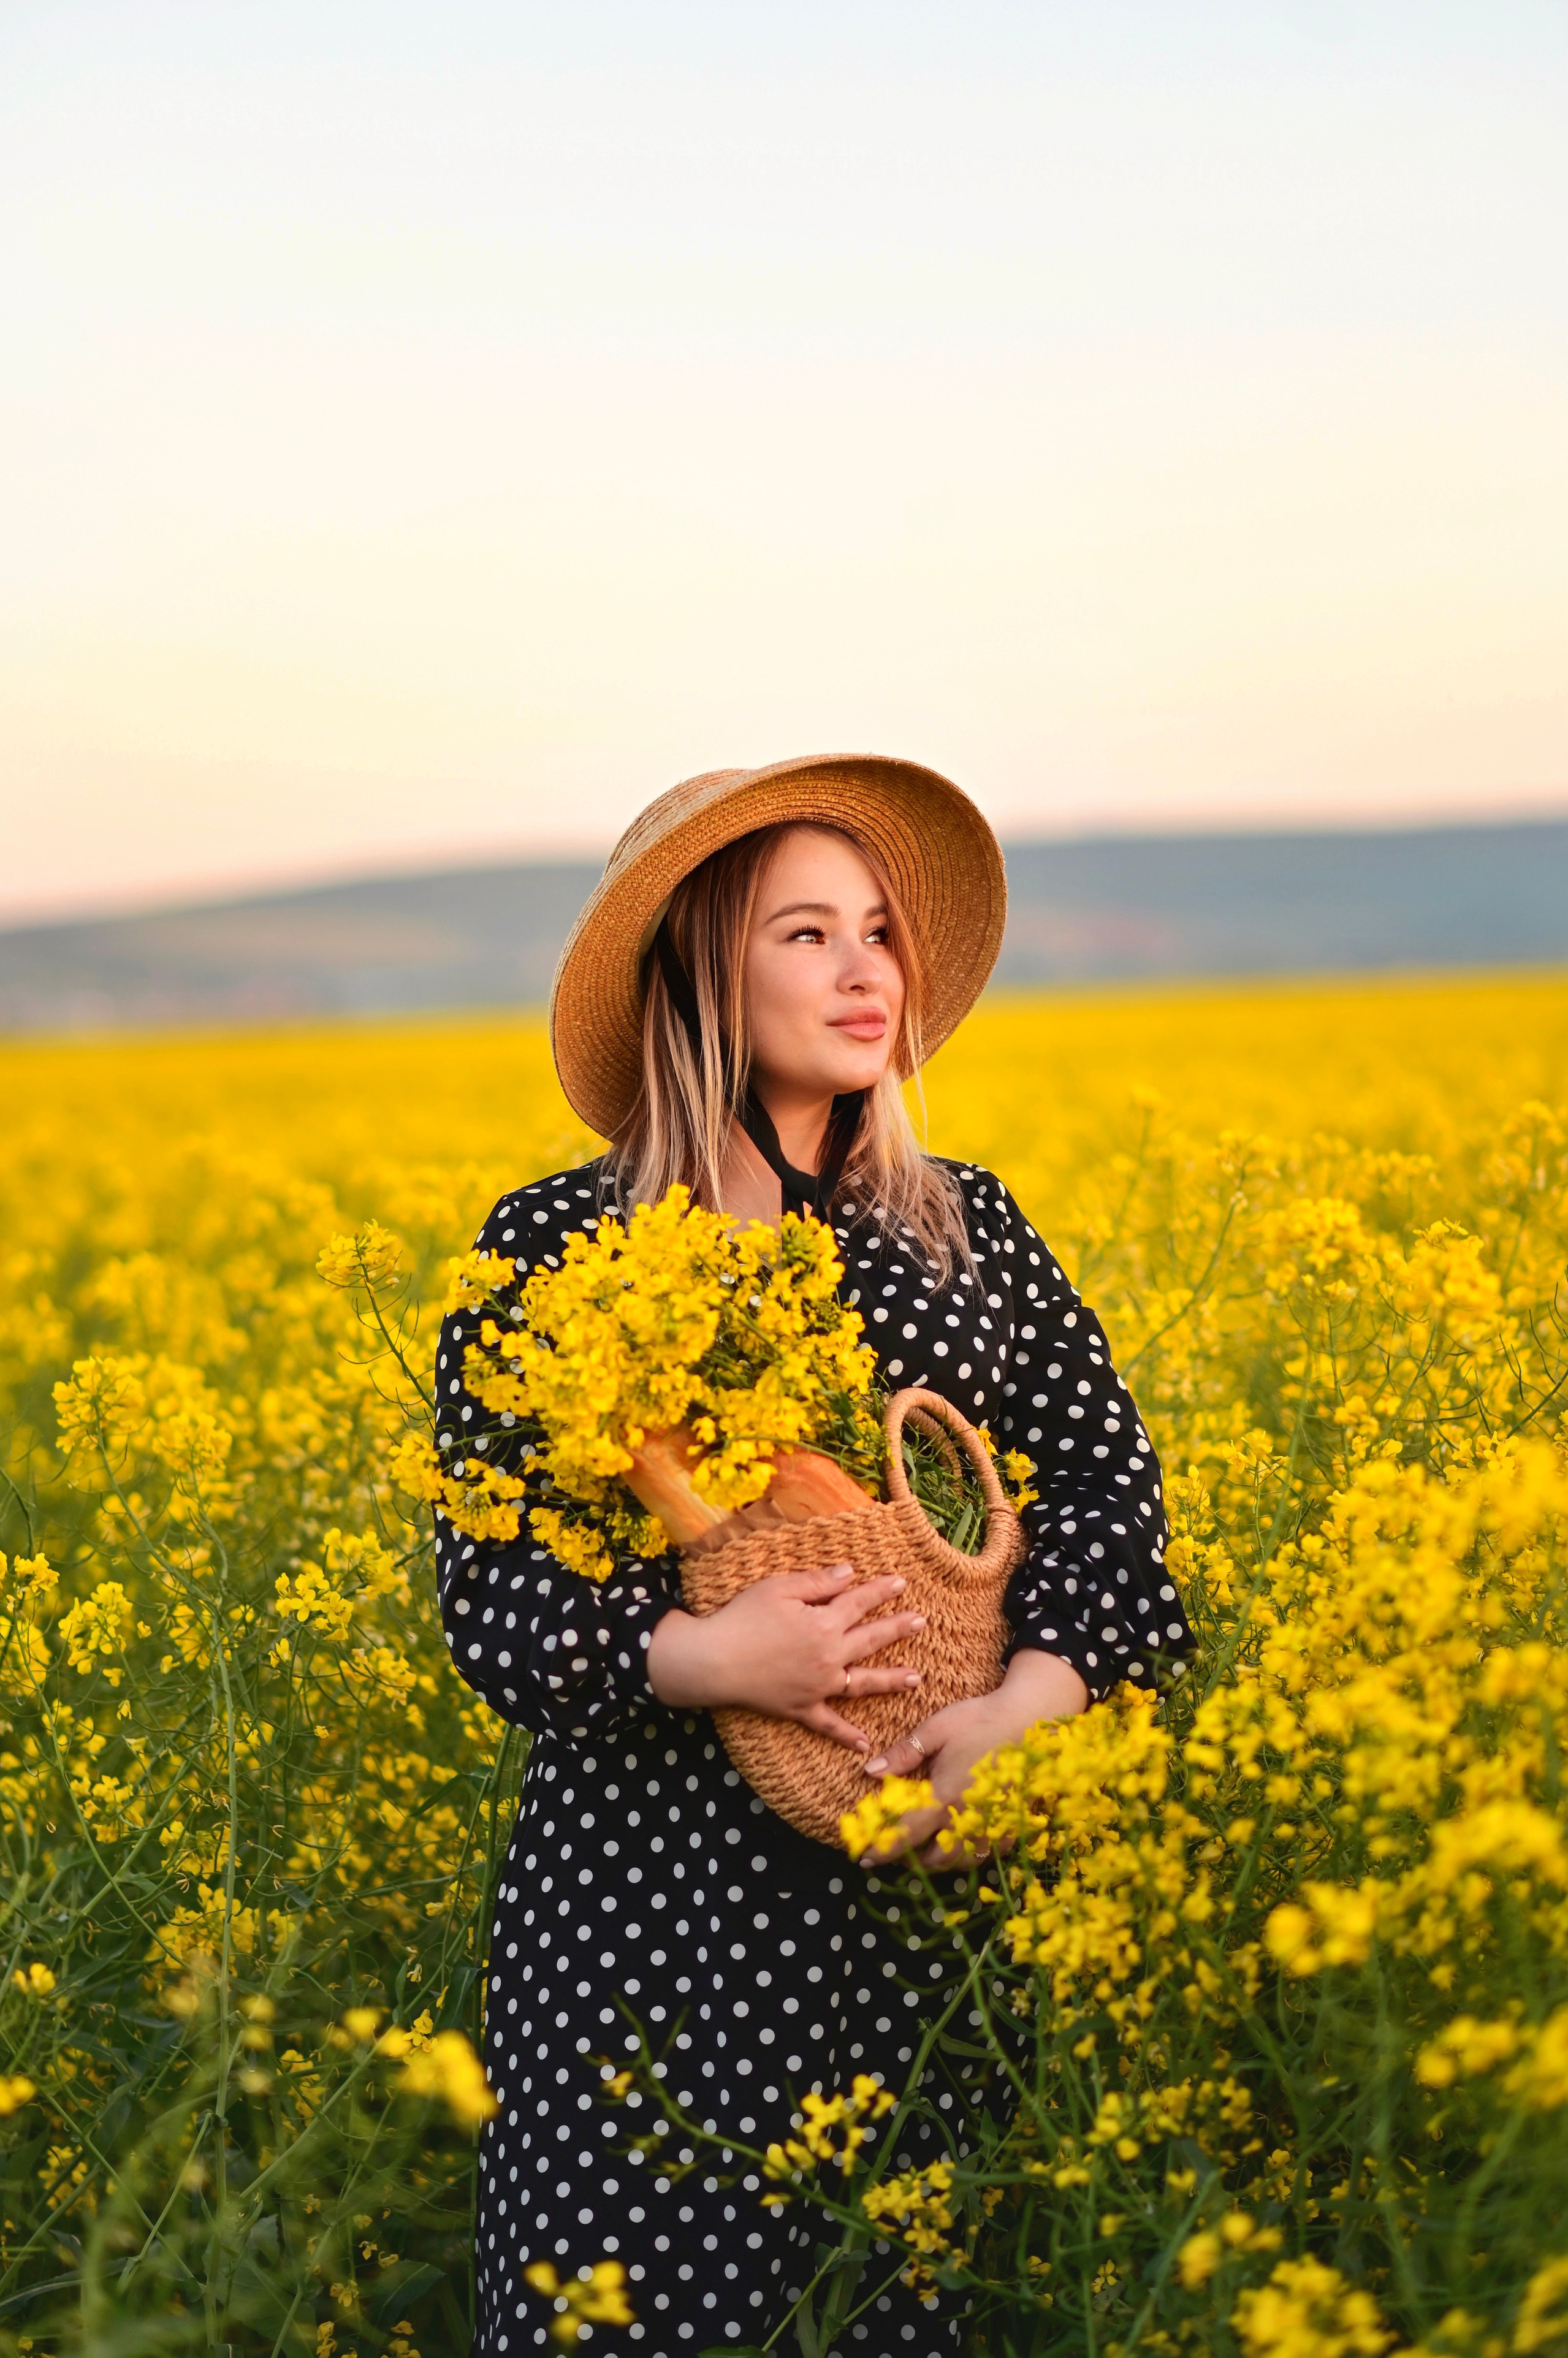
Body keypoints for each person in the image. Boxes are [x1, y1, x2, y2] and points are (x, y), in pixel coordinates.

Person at [434, 755, 1190, 2358]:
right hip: (644, 1922)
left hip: (926, 1917)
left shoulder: (965, 1229)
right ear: (703, 969)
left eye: (879, 934)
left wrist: (1025, 1708)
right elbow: (490, 1598)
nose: (866, 973)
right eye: (805, 934)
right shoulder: (553, 1246)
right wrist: (710, 1655)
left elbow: (1114, 1506)